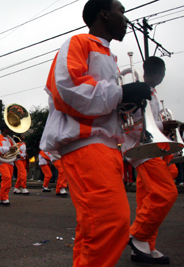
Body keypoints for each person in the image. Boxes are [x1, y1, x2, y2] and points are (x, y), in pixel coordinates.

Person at [39, 0, 152, 265]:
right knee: (111, 222)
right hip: (85, 144)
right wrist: (122, 93)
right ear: (104, 14)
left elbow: (107, 105)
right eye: (121, 11)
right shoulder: (79, 42)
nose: (126, 18)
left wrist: (131, 104)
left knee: (93, 227)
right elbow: (66, 88)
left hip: (105, 146)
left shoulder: (108, 56)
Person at [121, 56, 178, 264]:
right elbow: (132, 125)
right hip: (142, 150)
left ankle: (144, 247)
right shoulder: (140, 91)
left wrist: (164, 127)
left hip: (150, 149)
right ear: (160, 73)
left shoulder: (151, 92)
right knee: (166, 193)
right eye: (162, 74)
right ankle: (136, 235)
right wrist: (164, 127)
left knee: (148, 200)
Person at [0, 124, 17, 205]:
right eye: (8, 128)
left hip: (10, 161)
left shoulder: (9, 139)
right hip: (2, 161)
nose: (10, 130)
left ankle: (1, 197)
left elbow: (13, 150)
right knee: (7, 177)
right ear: (4, 129)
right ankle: (4, 198)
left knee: (8, 181)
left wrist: (14, 150)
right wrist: (10, 148)